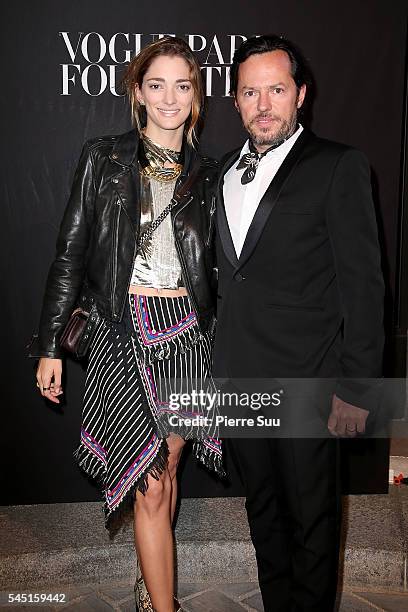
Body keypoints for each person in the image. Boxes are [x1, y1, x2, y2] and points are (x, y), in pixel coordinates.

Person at [35, 36, 224, 612]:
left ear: (195, 99)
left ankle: (150, 582)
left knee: (167, 467)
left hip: (187, 332)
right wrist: (48, 347)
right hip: (122, 327)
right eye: (157, 84)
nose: (169, 97)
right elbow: (70, 253)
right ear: (137, 93)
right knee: (149, 483)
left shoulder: (211, 175)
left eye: (182, 85)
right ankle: (164, 607)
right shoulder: (104, 157)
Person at [213, 35, 384, 611]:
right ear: (236, 102)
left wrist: (357, 390)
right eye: (250, 92)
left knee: (313, 528)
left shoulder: (338, 166)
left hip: (313, 387)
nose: (263, 105)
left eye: (276, 90)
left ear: (301, 95)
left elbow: (365, 288)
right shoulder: (223, 178)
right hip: (241, 384)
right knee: (264, 519)